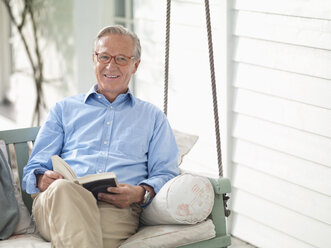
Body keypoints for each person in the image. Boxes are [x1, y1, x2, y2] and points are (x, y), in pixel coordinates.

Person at [22, 25, 179, 248]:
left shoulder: (153, 117)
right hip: (58, 202)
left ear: (135, 65)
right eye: (104, 56)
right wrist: (41, 178)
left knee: (83, 237)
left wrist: (139, 193)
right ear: (94, 59)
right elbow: (32, 169)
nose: (110, 65)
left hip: (116, 210)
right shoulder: (64, 109)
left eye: (121, 59)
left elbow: (166, 173)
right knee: (63, 188)